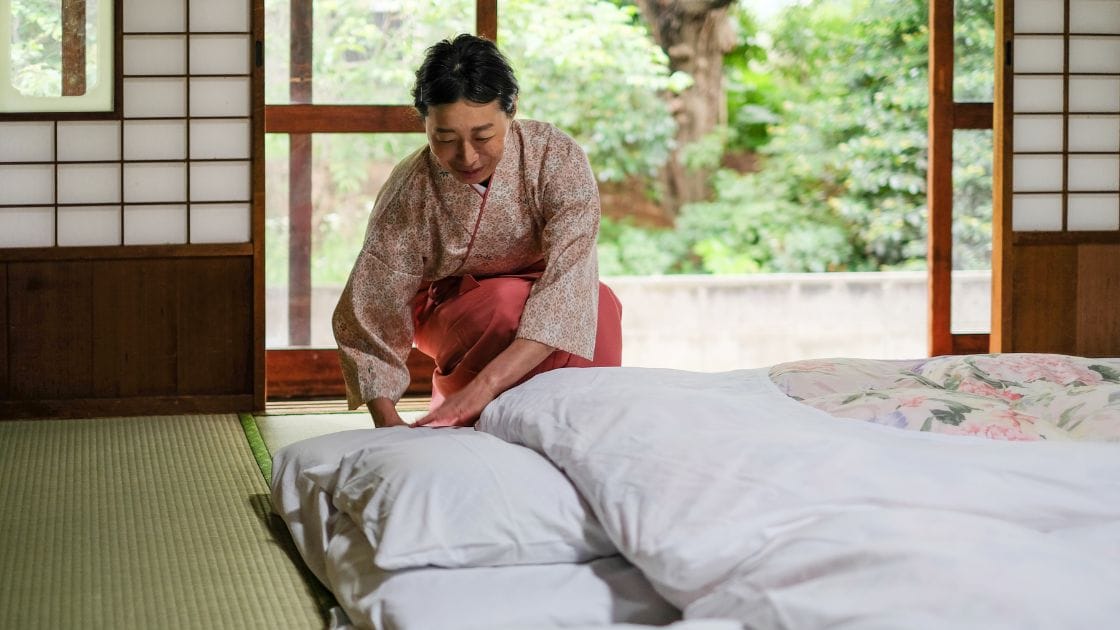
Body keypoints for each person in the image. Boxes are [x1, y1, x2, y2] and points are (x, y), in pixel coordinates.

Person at [333, 33, 623, 428]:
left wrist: (485, 385)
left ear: (512, 110)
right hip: (450, 304)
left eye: (483, 136)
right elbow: (373, 307)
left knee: (601, 304)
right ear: (426, 124)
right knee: (505, 302)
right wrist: (388, 424)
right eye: (445, 139)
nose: (467, 156)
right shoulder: (411, 188)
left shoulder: (556, 156)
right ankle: (462, 414)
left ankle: (577, 427)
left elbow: (571, 282)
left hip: (547, 288)